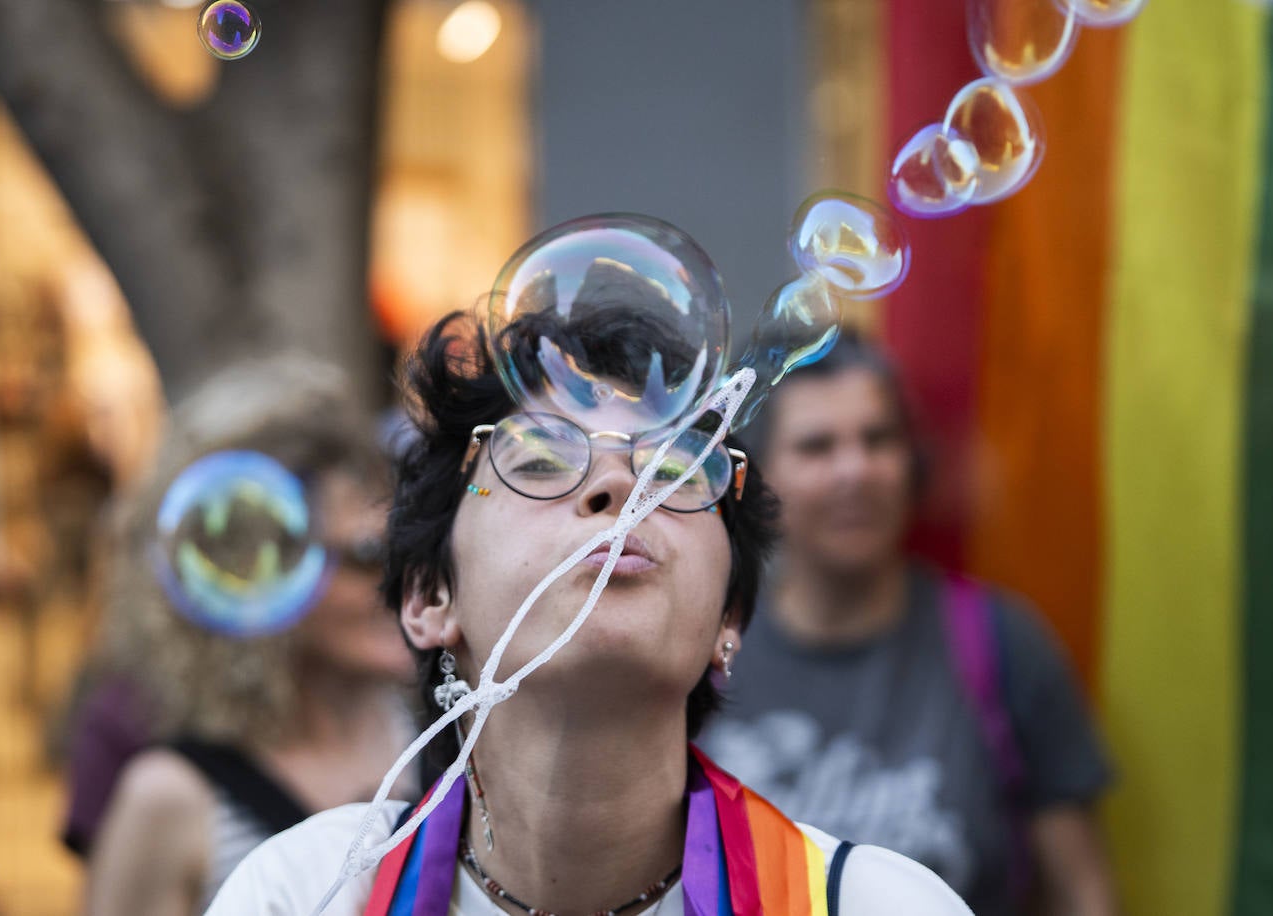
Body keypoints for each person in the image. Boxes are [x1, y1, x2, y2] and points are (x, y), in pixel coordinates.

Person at [206, 309, 973, 914]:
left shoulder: (870, 904)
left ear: (727, 623)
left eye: (673, 469)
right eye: (542, 460)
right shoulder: (306, 895)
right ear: (430, 599)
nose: (616, 489)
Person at [699, 332, 1116, 915]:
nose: (856, 470)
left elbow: (1081, 892)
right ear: (759, 482)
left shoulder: (1001, 643)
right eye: (818, 447)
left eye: (878, 439)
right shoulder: (699, 647)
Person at [80, 354, 419, 915]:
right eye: (367, 554)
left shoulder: (451, 750)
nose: (403, 582)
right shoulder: (171, 798)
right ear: (253, 575)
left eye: (409, 548)